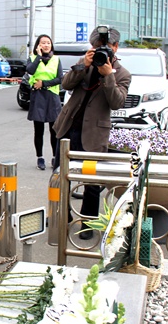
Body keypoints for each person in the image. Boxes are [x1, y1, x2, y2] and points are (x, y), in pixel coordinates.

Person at [52, 26, 131, 240]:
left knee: (92, 183)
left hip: (94, 133)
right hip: (68, 127)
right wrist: (82, 66)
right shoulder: (83, 62)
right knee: (60, 176)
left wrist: (108, 76)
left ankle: (87, 224)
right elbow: (66, 84)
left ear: (115, 47)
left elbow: (117, 102)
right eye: (96, 47)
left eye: (106, 47)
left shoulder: (122, 74)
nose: (100, 50)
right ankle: (63, 217)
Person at [26, 34, 63, 170]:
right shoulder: (33, 58)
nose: (46, 45)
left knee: (54, 130)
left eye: (48, 43)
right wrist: (39, 57)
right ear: (38, 45)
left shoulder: (56, 59)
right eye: (43, 43)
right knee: (39, 130)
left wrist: (44, 83)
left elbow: (60, 78)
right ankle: (40, 158)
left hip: (52, 97)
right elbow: (30, 70)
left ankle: (55, 157)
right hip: (38, 97)